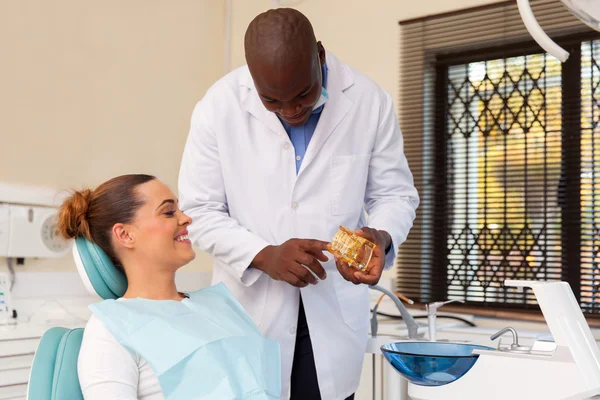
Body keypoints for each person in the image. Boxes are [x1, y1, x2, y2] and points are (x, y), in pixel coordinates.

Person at [178, 8, 419, 400]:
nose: (291, 110)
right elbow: (200, 212)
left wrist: (382, 236)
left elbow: (395, 194)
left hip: (332, 313)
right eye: (272, 100)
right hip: (250, 311)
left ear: (319, 55)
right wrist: (263, 255)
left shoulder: (369, 102)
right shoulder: (218, 106)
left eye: (303, 94)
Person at [57, 174, 280, 399]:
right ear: (125, 235)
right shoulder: (111, 327)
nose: (186, 219)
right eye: (169, 212)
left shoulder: (219, 305)